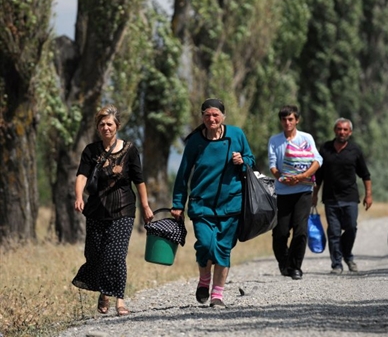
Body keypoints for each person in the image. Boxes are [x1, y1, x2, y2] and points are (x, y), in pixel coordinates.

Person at [170, 98, 255, 308]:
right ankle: (204, 280)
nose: (211, 118)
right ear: (202, 117)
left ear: (223, 116)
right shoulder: (195, 142)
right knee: (206, 245)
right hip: (201, 204)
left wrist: (242, 161)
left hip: (231, 203)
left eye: (215, 114)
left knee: (224, 248)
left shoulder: (236, 135)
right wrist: (178, 203)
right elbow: (182, 175)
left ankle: (217, 295)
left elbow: (251, 160)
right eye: (207, 115)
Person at [73, 104, 154, 316]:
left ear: (117, 126)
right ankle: (104, 292)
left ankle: (120, 300)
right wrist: (79, 196)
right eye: (102, 124)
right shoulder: (90, 151)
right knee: (95, 254)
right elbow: (81, 175)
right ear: (97, 127)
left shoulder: (130, 150)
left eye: (109, 124)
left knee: (116, 255)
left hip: (123, 209)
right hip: (96, 210)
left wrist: (145, 206)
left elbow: (139, 180)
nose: (106, 127)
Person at [268, 105, 322, 280]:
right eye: (284, 119)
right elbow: (273, 165)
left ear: (296, 120)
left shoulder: (306, 138)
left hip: (303, 191)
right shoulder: (274, 141)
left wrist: (303, 176)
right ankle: (284, 262)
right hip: (283, 193)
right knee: (280, 233)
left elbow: (317, 160)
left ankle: (295, 266)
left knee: (301, 231)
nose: (287, 122)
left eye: (290, 119)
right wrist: (282, 178)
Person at [312, 117, 372, 275]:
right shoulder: (325, 148)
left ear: (350, 132)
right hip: (330, 198)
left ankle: (348, 255)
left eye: (345, 129)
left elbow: (365, 175)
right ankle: (336, 264)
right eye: (339, 129)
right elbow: (319, 176)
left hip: (350, 197)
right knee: (334, 231)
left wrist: (368, 195)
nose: (342, 132)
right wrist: (314, 195)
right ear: (335, 130)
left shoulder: (355, 150)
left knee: (351, 228)